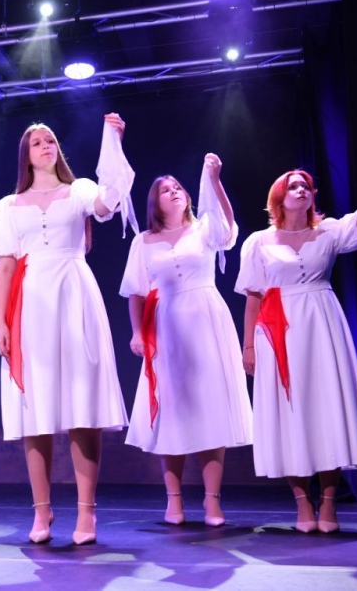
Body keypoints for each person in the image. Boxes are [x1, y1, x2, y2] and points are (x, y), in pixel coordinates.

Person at [0, 114, 133, 546]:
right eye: (36, 142)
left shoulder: (79, 189)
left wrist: (113, 141)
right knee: (37, 410)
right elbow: (5, 266)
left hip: (74, 295)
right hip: (30, 304)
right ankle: (41, 509)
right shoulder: (8, 206)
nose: (45, 146)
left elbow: (106, 205)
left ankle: (86, 512)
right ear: (26, 155)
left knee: (82, 406)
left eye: (50, 140)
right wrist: (0, 321)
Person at [235, 169, 357, 533]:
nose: (301, 190)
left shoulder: (329, 231)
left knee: (327, 409)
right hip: (277, 330)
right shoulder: (259, 242)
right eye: (293, 186)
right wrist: (248, 346)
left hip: (322, 324)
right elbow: (253, 297)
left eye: (306, 186)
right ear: (278, 198)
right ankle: (302, 503)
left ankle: (328, 502)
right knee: (289, 413)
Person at [119, 155, 252, 527]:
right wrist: (137, 333)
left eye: (178, 187)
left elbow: (228, 230)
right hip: (166, 328)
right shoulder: (144, 242)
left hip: (207, 321)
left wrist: (215, 180)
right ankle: (174, 500)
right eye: (166, 189)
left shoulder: (202, 229)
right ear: (155, 202)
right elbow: (136, 292)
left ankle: (212, 501)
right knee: (171, 411)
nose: (175, 191)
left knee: (211, 409)